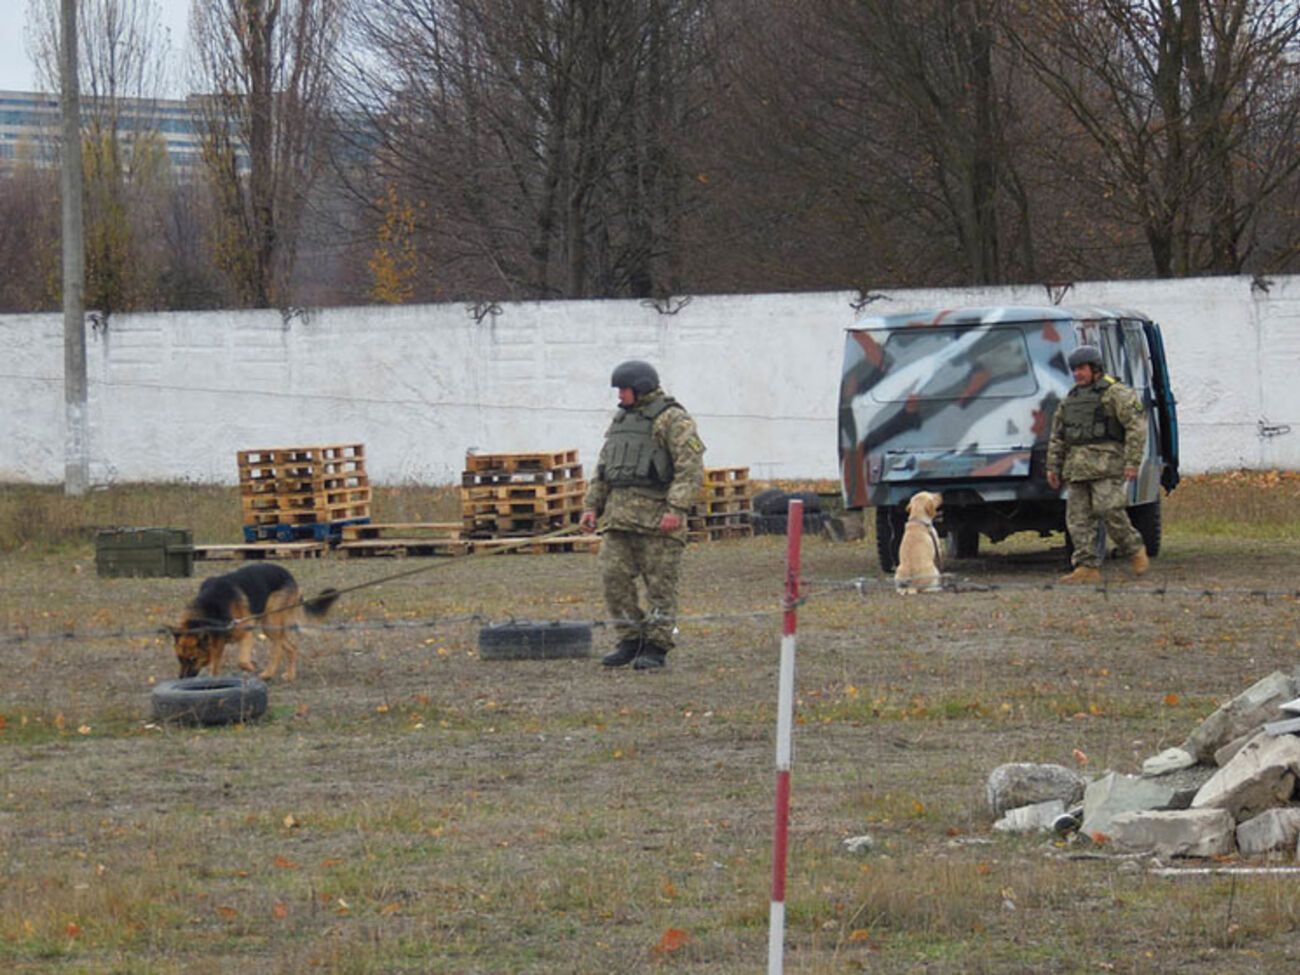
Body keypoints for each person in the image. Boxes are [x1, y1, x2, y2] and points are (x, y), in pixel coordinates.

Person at [580, 360, 706, 670]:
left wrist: (676, 509)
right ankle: (630, 639)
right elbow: (604, 468)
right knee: (613, 579)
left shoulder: (673, 419)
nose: (619, 396)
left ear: (640, 388)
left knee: (660, 586)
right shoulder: (621, 421)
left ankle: (657, 645)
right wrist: (591, 506)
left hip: (658, 521)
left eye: (623, 389)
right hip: (619, 519)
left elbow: (690, 468)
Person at [1046, 344, 1150, 584]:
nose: (1077, 374)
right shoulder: (1071, 399)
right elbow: (1058, 436)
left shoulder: (1116, 393)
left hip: (1107, 466)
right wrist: (1053, 467)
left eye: (1081, 369)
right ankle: (1086, 566)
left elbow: (1136, 427)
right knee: (1078, 519)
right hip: (1076, 468)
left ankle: (1134, 549)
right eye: (1074, 370)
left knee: (1110, 510)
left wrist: (1133, 462)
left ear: (1095, 368)